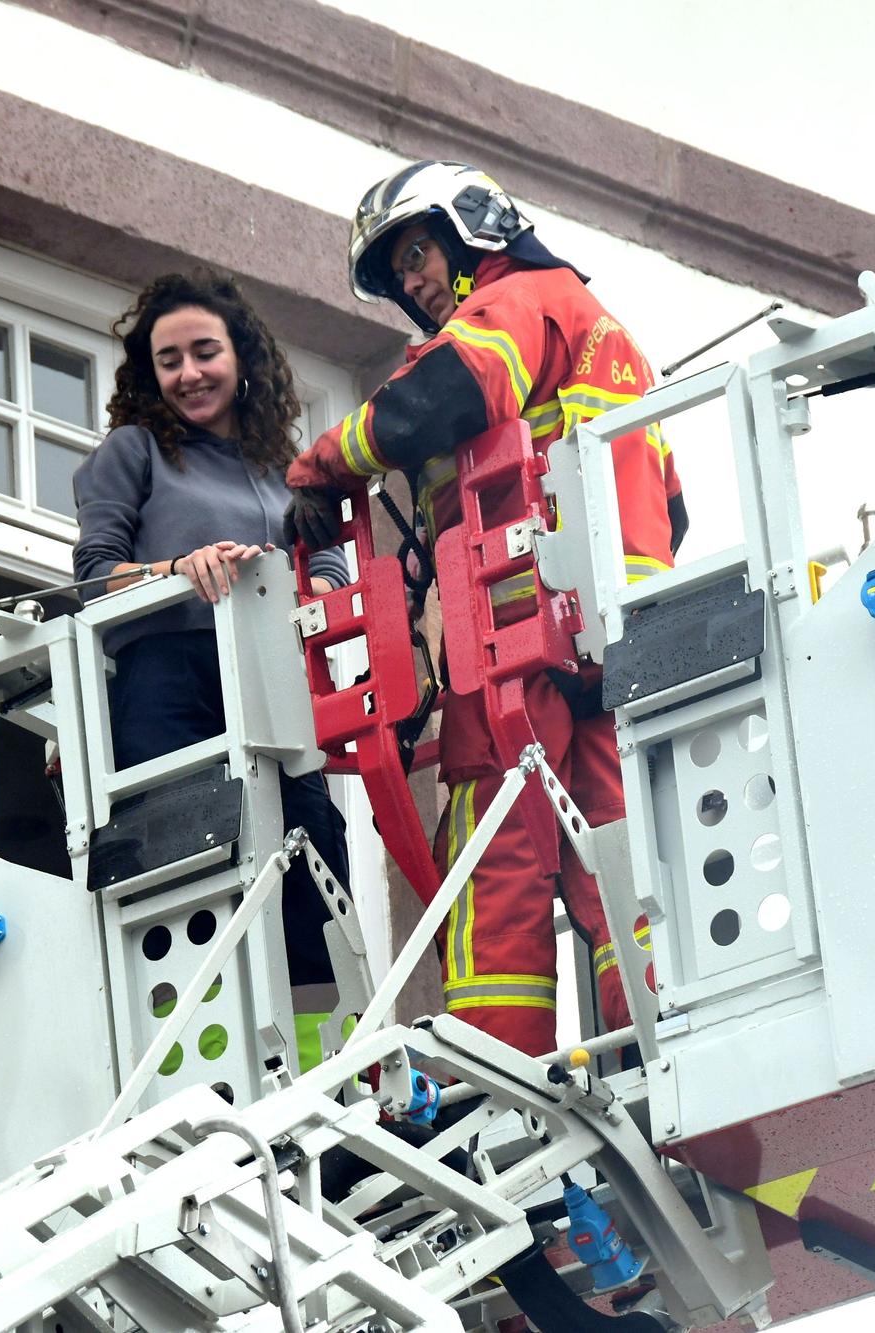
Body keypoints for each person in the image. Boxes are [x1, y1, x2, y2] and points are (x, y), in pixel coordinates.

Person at [285, 162, 688, 1058]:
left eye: (417, 256)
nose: (414, 285)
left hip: (521, 639)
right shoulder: (611, 341)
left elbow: (444, 397)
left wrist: (321, 464)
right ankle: (663, 1051)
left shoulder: (514, 299)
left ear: (474, 227)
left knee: (494, 866)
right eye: (398, 277)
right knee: (627, 868)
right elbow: (674, 509)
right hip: (620, 650)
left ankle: (496, 1082)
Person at [73, 270, 354, 1067]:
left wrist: (294, 580)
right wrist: (178, 568)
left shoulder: (281, 467)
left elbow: (330, 563)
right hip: (166, 674)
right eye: (169, 360)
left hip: (269, 679)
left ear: (242, 358)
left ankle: (318, 1071)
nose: (189, 373)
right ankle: (193, 1068)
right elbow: (92, 574)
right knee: (184, 874)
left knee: (313, 861)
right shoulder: (135, 452)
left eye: (205, 352)